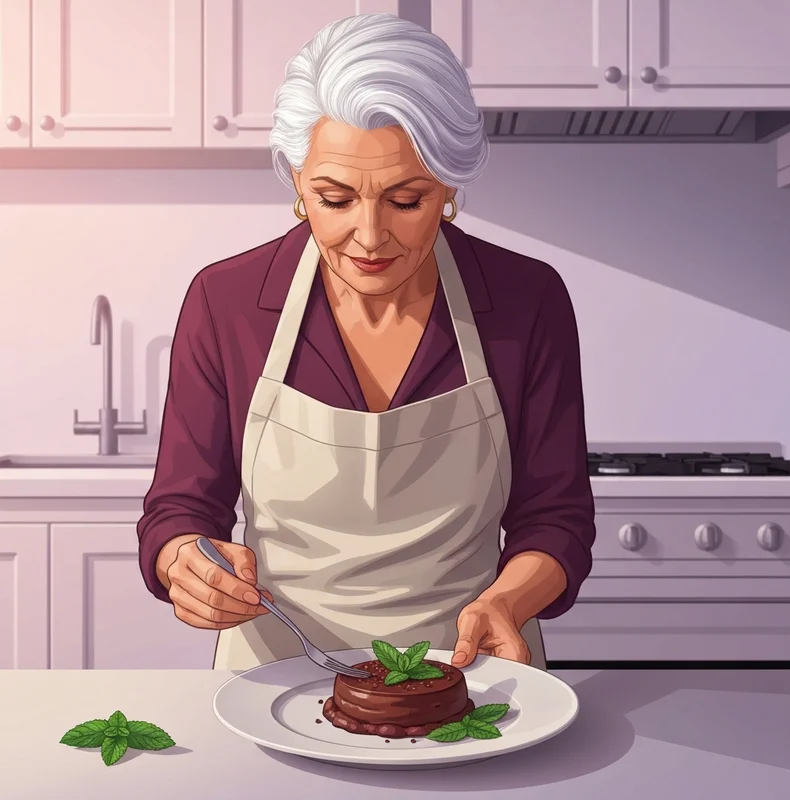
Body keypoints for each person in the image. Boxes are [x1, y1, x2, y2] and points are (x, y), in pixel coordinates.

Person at [137, 13, 595, 672]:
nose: (370, 235)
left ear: (449, 188)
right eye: (336, 197)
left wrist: (508, 602)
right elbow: (181, 506)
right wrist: (183, 561)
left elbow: (556, 517)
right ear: (298, 182)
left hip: (471, 669)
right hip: (273, 673)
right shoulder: (227, 302)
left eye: (406, 200)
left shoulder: (527, 301)